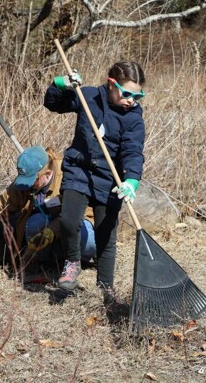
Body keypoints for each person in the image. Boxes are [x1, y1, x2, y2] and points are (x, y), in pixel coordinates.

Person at [43, 61, 146, 298]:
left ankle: (105, 287)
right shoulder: (88, 96)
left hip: (110, 178)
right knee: (68, 221)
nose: (131, 100)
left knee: (105, 235)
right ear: (112, 84)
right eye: (127, 93)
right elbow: (53, 104)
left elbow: (132, 151)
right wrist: (61, 85)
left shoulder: (133, 119)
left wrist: (131, 181)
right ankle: (72, 262)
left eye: (137, 96)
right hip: (79, 169)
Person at [0, 145, 96, 271]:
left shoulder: (68, 174)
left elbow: (76, 212)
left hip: (77, 219)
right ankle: (42, 263)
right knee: (34, 224)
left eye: (32, 181)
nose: (27, 185)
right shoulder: (24, 184)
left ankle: (80, 261)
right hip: (44, 223)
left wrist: (52, 230)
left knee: (88, 239)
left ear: (47, 174)